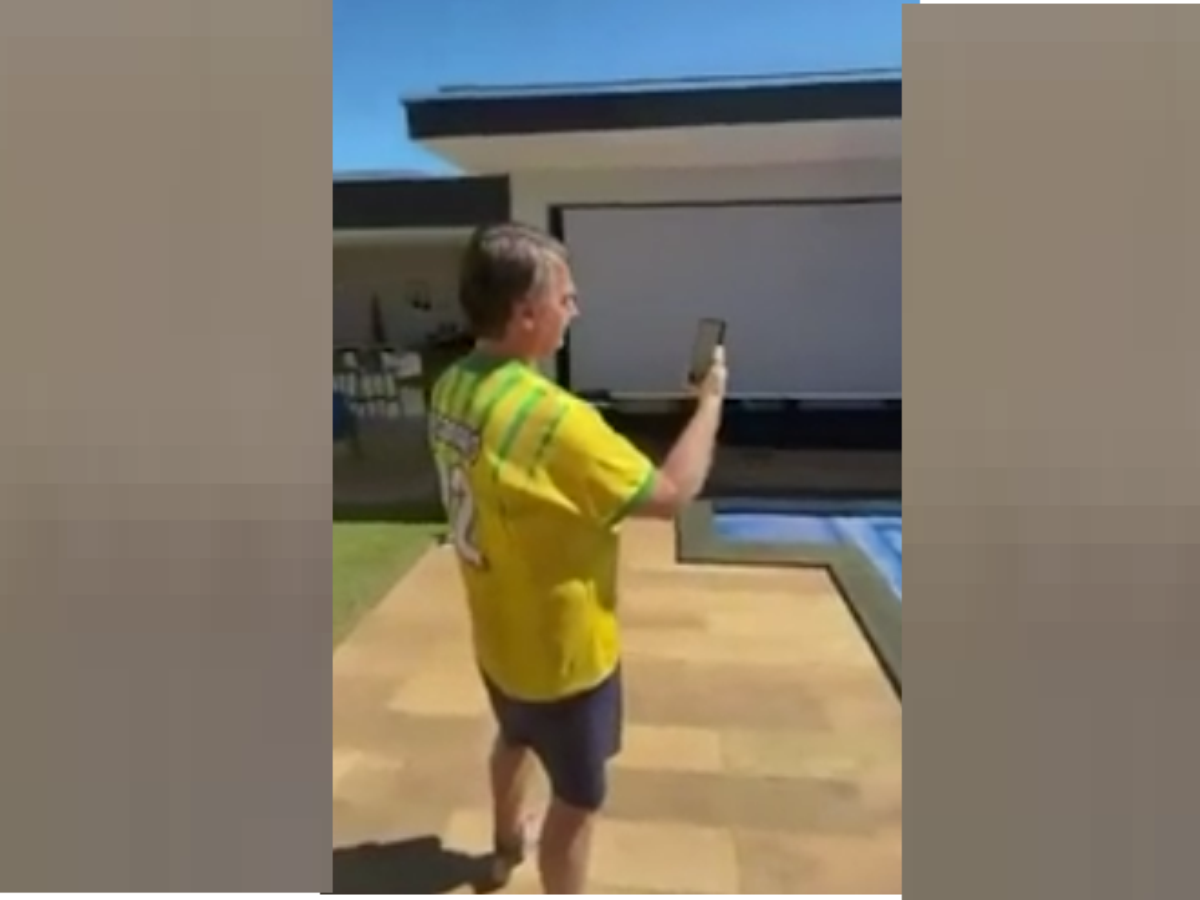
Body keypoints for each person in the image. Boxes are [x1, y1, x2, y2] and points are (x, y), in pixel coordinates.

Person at [426, 221, 727, 894]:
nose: (576, 309)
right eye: (566, 298)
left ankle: (505, 846)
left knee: (513, 737)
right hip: (564, 656)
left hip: (496, 636)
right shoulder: (556, 422)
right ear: (526, 313)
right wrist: (709, 405)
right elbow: (671, 493)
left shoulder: (450, 388)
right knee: (579, 799)